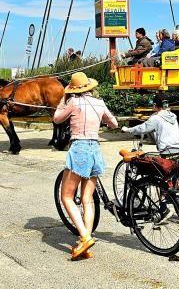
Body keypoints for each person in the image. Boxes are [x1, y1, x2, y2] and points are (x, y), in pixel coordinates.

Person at [53, 72, 118, 260]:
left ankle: (85, 236)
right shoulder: (100, 102)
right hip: (95, 149)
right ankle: (85, 240)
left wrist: (62, 101)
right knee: (87, 198)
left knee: (66, 196)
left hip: (80, 148)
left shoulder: (72, 102)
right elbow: (113, 123)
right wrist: (104, 123)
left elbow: (57, 118)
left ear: (73, 90)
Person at [120, 95, 179, 162]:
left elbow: (142, 128)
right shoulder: (172, 116)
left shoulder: (156, 117)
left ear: (154, 105)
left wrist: (128, 130)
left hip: (166, 151)